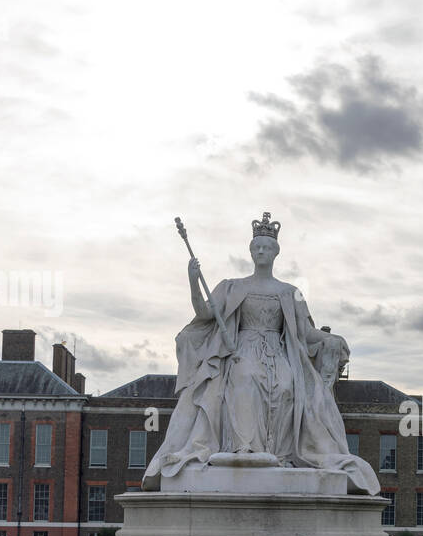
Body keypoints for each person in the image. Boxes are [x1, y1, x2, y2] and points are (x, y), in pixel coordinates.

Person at [142, 212, 379, 496]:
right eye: (257, 247)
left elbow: (306, 332)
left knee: (288, 384)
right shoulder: (233, 286)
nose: (261, 251)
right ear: (251, 252)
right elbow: (204, 313)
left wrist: (331, 338)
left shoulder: (291, 292)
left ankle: (278, 454)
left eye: (266, 247)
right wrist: (193, 281)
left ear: (275, 253)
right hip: (240, 351)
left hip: (278, 353)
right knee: (246, 377)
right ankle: (245, 449)